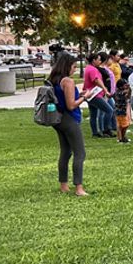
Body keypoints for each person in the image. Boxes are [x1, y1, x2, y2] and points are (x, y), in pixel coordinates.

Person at [48, 54, 92, 196]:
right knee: (80, 153)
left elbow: (64, 99)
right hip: (69, 119)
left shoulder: (54, 80)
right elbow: (71, 105)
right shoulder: (67, 81)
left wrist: (79, 95)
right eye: (74, 67)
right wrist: (84, 97)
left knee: (66, 152)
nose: (75, 69)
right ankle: (79, 188)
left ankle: (64, 185)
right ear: (67, 66)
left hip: (58, 119)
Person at [83, 52, 114, 138]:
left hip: (89, 94)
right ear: (94, 60)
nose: (100, 61)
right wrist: (105, 89)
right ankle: (106, 130)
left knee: (93, 114)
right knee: (109, 110)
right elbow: (96, 80)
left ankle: (95, 133)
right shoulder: (92, 69)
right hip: (95, 95)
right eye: (99, 60)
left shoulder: (88, 68)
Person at [112, 79, 131, 143]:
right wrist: (130, 88)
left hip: (118, 110)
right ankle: (121, 138)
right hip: (121, 111)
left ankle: (122, 137)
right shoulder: (121, 92)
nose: (126, 86)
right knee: (124, 125)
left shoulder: (117, 92)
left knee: (121, 125)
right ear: (121, 86)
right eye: (125, 85)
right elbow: (128, 94)